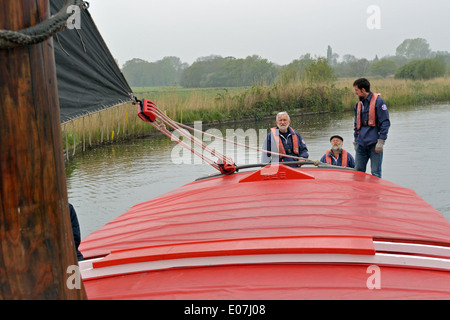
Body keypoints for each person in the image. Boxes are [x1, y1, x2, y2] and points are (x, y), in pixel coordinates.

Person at [352, 78, 390, 178]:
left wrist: (381, 142)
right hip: (361, 143)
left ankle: (376, 193)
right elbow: (356, 124)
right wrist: (356, 140)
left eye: (356, 90)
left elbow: (385, 123)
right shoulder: (358, 104)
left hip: (374, 144)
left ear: (363, 90)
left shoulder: (379, 102)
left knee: (375, 173)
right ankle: (359, 193)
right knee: (358, 172)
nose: (355, 93)